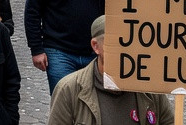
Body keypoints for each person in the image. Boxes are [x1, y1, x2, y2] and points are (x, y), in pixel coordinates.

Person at [46, 16, 174, 125]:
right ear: (96, 46)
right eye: (116, 43)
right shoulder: (69, 89)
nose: (124, 50)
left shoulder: (150, 90)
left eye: (130, 42)